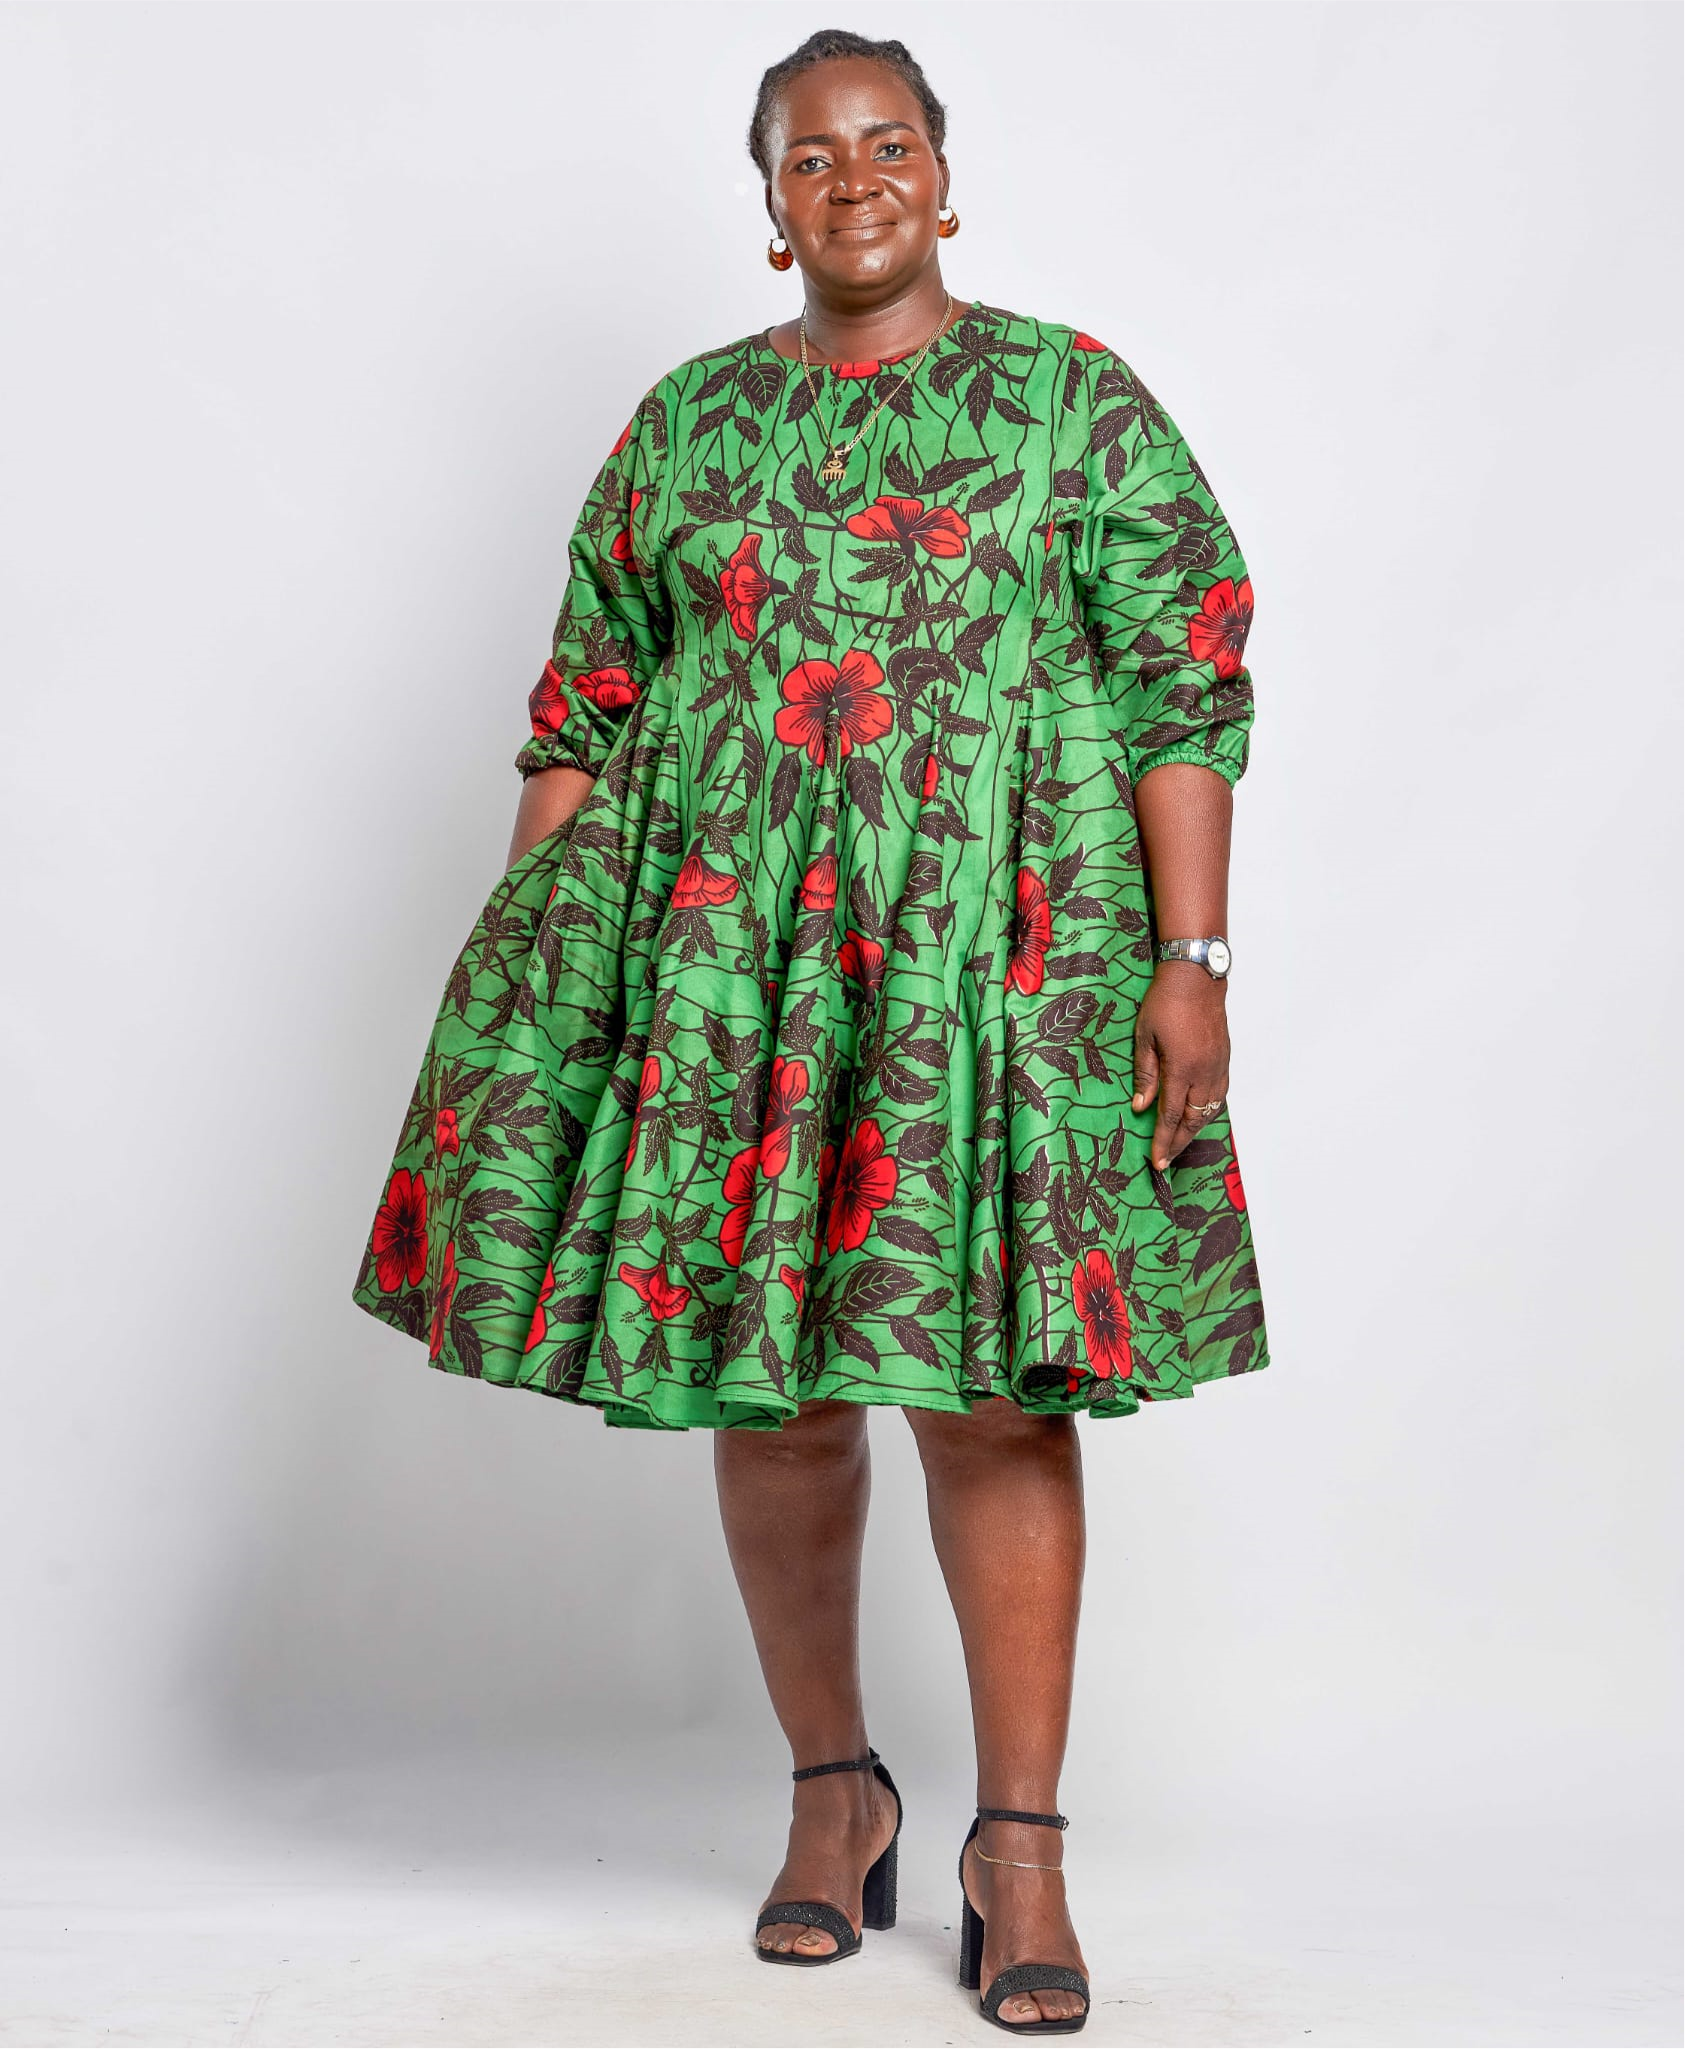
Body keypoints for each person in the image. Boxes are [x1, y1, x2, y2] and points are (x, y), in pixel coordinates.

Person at [352, 28, 1270, 2033]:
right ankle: (832, 1794)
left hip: (995, 966)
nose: (851, 179)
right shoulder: (684, 425)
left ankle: (1017, 1847)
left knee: (993, 1394)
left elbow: (1185, 680)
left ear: (944, 175)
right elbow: (584, 705)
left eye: (887, 143)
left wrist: (1190, 957)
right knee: (768, 1393)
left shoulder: (1071, 401)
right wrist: (541, 978)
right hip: (729, 975)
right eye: (807, 156)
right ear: (768, 206)